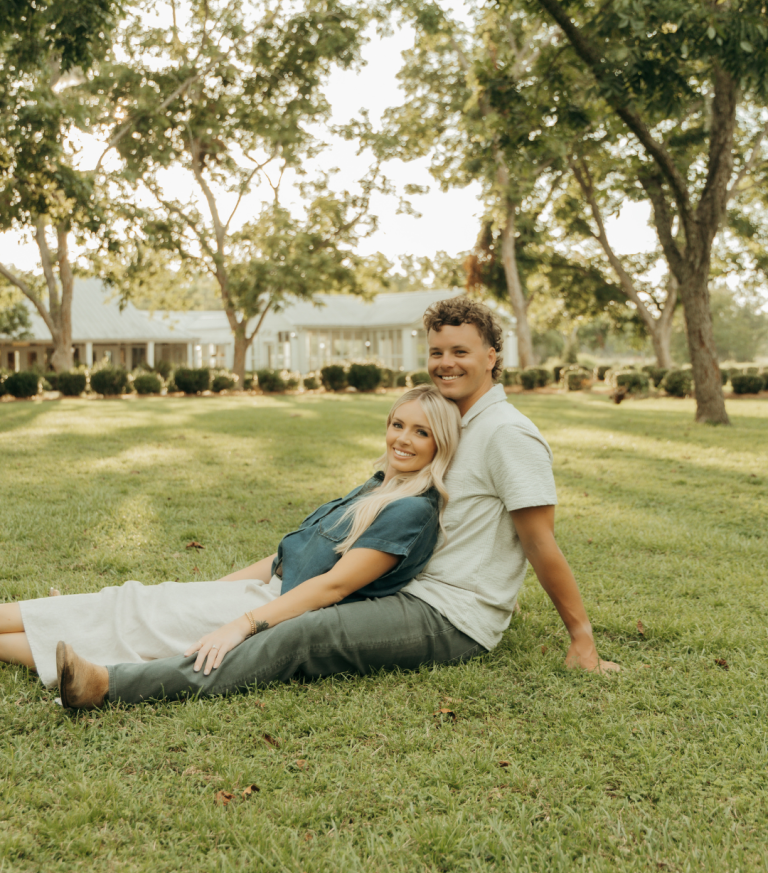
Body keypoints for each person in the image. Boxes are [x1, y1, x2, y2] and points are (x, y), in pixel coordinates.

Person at [41, 295, 620, 710]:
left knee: (301, 636)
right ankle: (83, 636)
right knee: (285, 609)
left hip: (451, 614)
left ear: (494, 354)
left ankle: (112, 686)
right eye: (437, 350)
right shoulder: (452, 424)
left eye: (461, 351)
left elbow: (540, 541)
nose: (445, 362)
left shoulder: (508, 434)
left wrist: (582, 638)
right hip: (399, 585)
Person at [0, 385, 463, 704]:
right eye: (398, 424)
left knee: (124, 615)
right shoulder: (379, 487)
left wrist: (238, 625)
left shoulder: (412, 510)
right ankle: (56, 623)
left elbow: (333, 588)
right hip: (258, 595)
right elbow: (284, 558)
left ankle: (58, 626)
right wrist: (203, 592)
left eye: (420, 432)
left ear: (440, 442)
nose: (403, 439)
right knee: (130, 605)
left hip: (276, 611)